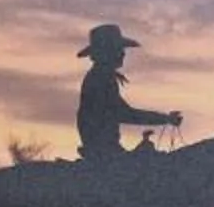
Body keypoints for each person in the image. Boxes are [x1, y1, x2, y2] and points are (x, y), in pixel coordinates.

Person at [75, 23, 178, 158]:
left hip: (103, 149)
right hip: (103, 152)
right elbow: (123, 113)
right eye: (118, 49)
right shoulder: (100, 79)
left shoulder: (99, 77)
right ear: (107, 52)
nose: (123, 53)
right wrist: (165, 119)